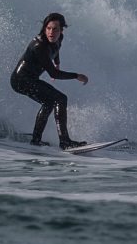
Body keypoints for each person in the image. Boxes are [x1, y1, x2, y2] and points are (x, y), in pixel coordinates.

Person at [10, 11, 89, 148]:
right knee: (60, 98)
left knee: (49, 102)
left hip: (31, 79)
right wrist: (76, 76)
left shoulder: (59, 38)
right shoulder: (39, 46)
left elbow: (56, 50)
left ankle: (36, 140)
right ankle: (65, 141)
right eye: (48, 28)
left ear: (61, 30)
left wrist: (57, 62)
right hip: (20, 80)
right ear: (44, 29)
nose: (51, 32)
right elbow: (53, 74)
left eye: (55, 29)